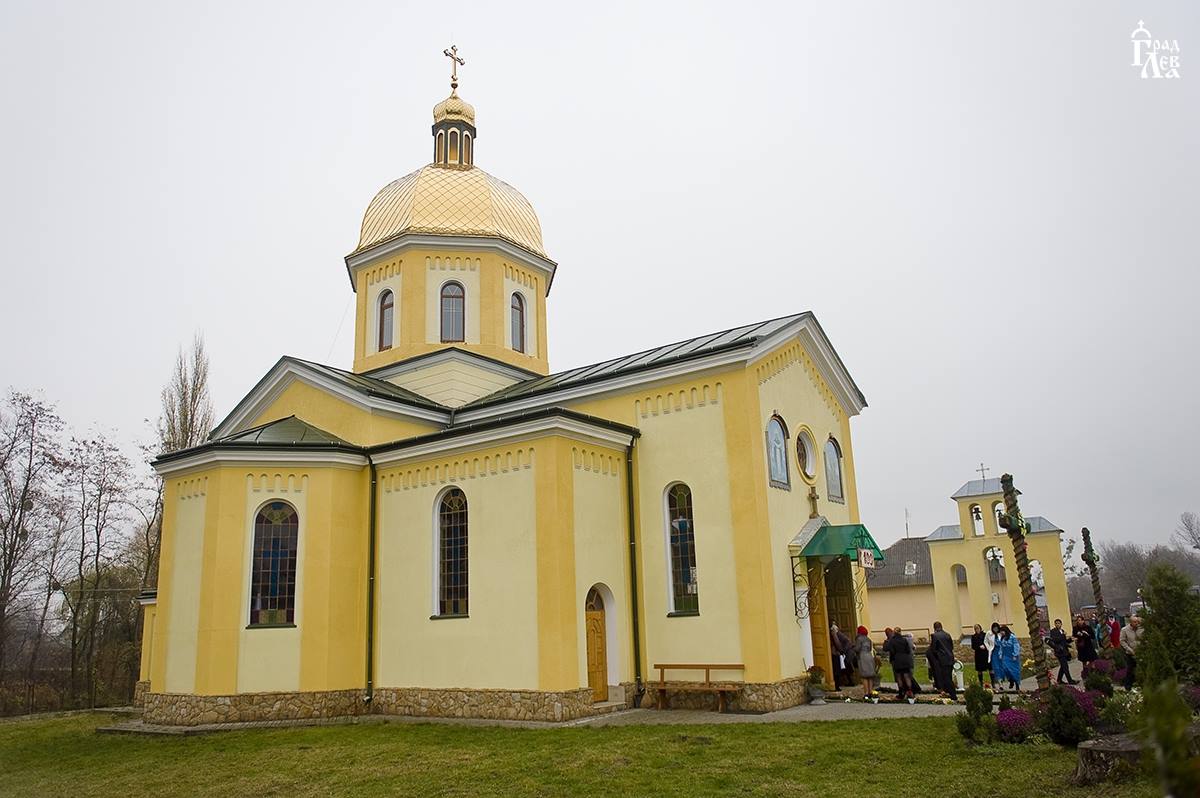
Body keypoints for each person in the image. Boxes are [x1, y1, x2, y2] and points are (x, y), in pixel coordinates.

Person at [884, 624, 916, 702]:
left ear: (894, 633)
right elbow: (908, 650)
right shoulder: (904, 640)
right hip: (905, 659)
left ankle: (901, 693)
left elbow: (891, 650)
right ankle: (910, 692)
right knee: (906, 676)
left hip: (897, 659)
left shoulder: (892, 640)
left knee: (899, 677)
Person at [928, 621, 958, 700]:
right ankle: (950, 692)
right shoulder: (947, 634)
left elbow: (933, 649)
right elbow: (951, 646)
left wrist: (936, 656)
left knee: (946, 678)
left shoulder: (934, 636)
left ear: (934, 628)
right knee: (949, 676)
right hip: (950, 658)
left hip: (942, 659)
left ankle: (953, 695)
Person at [1046, 618, 1078, 685]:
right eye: (1056, 623)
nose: (1057, 624)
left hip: (1064, 651)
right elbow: (1055, 640)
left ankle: (1059, 680)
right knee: (1065, 666)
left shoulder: (1062, 631)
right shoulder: (1053, 631)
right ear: (1055, 624)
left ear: (1061, 624)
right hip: (1059, 651)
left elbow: (1064, 641)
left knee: (1063, 666)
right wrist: (1063, 635)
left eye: (1059, 623)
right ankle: (1070, 681)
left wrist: (1070, 640)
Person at [1119, 616, 1143, 690]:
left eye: (1137, 622)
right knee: (1131, 670)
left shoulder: (1141, 628)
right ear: (1131, 623)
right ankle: (1128, 686)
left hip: (1141, 652)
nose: (1137, 623)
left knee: (1143, 668)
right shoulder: (1124, 630)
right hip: (1130, 653)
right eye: (1135, 622)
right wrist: (1129, 649)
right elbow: (1122, 641)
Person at [854, 626, 878, 699]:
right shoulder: (868, 639)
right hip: (869, 656)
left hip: (862, 657)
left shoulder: (859, 639)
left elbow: (857, 649)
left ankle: (866, 693)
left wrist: (853, 648)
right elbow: (870, 648)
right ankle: (870, 692)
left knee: (864, 676)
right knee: (870, 676)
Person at [996, 626, 1022, 691]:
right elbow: (1001, 647)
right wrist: (1000, 654)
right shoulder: (1002, 638)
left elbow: (1016, 646)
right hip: (1005, 656)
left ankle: (1017, 685)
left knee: (1014, 671)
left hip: (1012, 655)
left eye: (1002, 631)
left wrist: (1015, 655)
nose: (1001, 633)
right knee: (1005, 669)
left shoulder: (1012, 637)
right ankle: (1010, 680)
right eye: (1001, 632)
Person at [830, 624, 853, 689]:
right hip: (842, 652)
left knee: (839, 669)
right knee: (843, 668)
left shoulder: (835, 634)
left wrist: (842, 651)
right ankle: (848, 682)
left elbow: (838, 643)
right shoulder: (838, 634)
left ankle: (837, 686)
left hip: (840, 653)